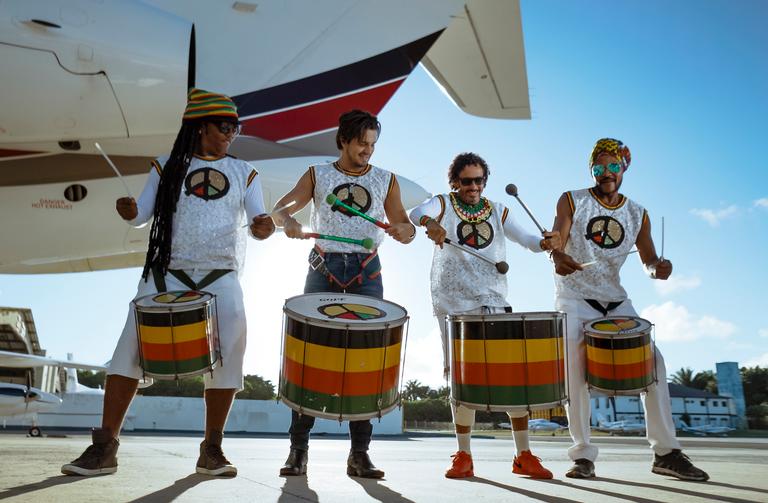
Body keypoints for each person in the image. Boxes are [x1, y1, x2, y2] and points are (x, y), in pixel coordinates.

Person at [61, 89, 275, 477]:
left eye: (235, 127)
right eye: (225, 126)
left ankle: (212, 449)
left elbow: (259, 220)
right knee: (127, 350)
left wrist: (265, 226)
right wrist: (129, 212)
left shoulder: (246, 172)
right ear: (199, 126)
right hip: (166, 272)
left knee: (230, 351)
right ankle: (104, 447)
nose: (232, 133)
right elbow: (142, 214)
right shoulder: (166, 166)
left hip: (220, 275)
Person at [550, 138, 709, 481]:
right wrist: (556, 253)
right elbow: (558, 238)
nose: (606, 173)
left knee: (654, 363)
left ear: (624, 169)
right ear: (591, 169)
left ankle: (666, 453)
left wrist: (659, 268)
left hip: (617, 300)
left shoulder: (638, 213)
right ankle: (582, 457)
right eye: (599, 167)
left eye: (613, 166)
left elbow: (649, 260)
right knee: (576, 372)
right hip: (574, 297)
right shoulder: (572, 200)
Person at [271, 109, 415, 479]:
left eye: (372, 145)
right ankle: (298, 451)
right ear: (343, 141)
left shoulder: (386, 179)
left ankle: (359, 454)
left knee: (366, 362)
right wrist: (288, 222)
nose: (368, 151)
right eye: (361, 144)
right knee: (308, 356)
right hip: (323, 270)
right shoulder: (318, 174)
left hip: (368, 273)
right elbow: (281, 207)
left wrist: (403, 230)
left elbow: (404, 223)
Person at [408, 152, 561, 479]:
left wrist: (546, 242)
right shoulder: (443, 204)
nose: (474, 186)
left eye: (479, 180)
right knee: (462, 379)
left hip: (493, 300)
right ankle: (463, 455)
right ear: (454, 182)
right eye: (467, 181)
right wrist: (429, 223)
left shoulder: (498, 211)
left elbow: (529, 241)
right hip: (452, 304)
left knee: (512, 377)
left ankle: (524, 455)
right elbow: (416, 211)